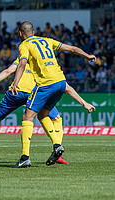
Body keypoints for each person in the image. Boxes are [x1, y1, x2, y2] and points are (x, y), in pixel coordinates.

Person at [0, 57, 96, 167]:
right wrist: (84, 103)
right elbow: (66, 87)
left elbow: (8, 71)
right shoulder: (44, 62)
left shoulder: (22, 58)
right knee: (54, 118)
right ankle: (57, 147)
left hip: (16, 92)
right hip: (35, 94)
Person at [10, 21, 95, 166]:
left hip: (45, 84)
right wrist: (87, 56)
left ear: (20, 34)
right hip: (61, 82)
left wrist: (16, 82)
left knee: (27, 116)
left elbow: (22, 63)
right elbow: (73, 48)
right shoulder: (47, 40)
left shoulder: (24, 45)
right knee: (43, 114)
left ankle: (25, 158)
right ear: (33, 31)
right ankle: (57, 145)